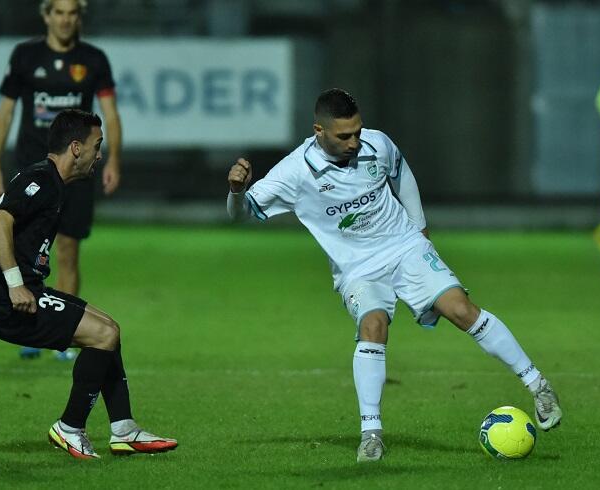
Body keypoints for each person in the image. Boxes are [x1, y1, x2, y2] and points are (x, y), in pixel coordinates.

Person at [226, 88, 562, 462]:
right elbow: (242, 214)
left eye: (358, 131)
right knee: (373, 326)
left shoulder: (377, 144)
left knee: (460, 309)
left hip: (404, 246)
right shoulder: (294, 172)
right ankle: (371, 434)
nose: (355, 141)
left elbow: (401, 173)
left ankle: (539, 386)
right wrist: (237, 192)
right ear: (318, 131)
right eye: (344, 136)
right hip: (357, 268)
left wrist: (420, 229)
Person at [0, 109, 176, 459]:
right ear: (76, 148)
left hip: (22, 292)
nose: (100, 155)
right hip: (7, 302)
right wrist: (15, 284)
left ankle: (124, 429)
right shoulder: (41, 180)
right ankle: (69, 428)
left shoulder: (51, 181)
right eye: (97, 146)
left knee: (109, 330)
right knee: (104, 335)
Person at [0, 0, 123, 360]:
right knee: (21, 244)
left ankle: (64, 338)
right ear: (46, 16)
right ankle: (29, 325)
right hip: (32, 168)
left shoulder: (93, 59)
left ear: (79, 17)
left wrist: (114, 160)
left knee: (68, 249)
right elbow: (6, 110)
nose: (65, 19)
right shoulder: (26, 56)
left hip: (75, 174)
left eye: (72, 13)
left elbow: (110, 112)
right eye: (58, 12)